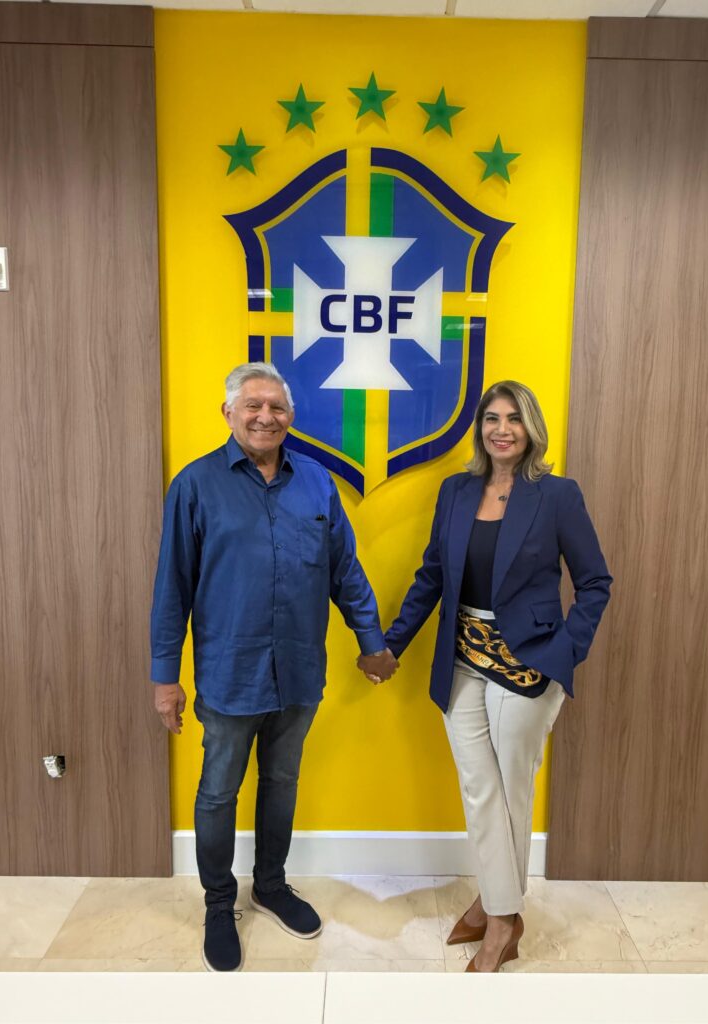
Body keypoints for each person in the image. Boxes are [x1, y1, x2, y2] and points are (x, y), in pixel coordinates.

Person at [151, 362, 398, 972]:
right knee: (218, 792)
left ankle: (270, 884)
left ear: (291, 415)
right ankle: (218, 903)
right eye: (253, 405)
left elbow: (346, 571)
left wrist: (371, 640)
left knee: (281, 781)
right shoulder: (194, 486)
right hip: (228, 673)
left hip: (298, 669)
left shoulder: (317, 484)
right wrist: (165, 677)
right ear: (229, 413)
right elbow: (172, 588)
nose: (266, 417)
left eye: (277, 407)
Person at [376, 380, 611, 972]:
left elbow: (594, 582)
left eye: (514, 418)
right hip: (463, 659)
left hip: (528, 663)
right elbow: (433, 575)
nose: (501, 429)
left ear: (531, 428)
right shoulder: (456, 491)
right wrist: (392, 643)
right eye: (491, 418)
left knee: (511, 789)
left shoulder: (557, 495)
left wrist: (566, 650)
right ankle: (497, 901)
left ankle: (502, 920)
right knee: (479, 788)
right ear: (479, 428)